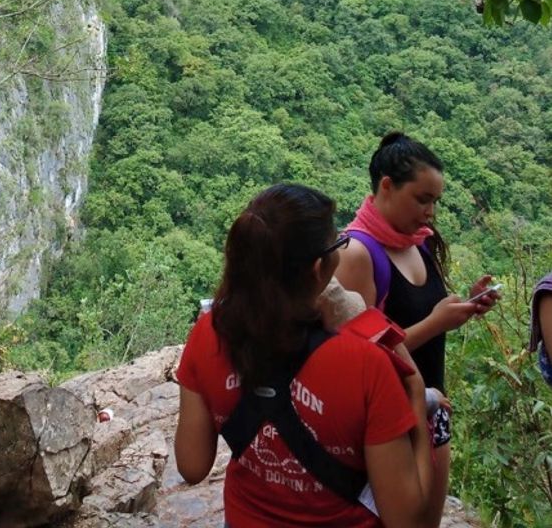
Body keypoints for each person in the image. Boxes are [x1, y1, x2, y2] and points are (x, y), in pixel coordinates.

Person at [174, 183, 435, 528]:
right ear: (318, 270)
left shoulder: (209, 334)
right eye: (337, 244)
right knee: (436, 416)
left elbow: (192, 466)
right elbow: (407, 522)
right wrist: (416, 395)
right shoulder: (366, 365)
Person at [335, 132, 499, 526]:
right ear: (387, 187)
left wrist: (463, 305)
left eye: (434, 202)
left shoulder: (415, 242)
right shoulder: (356, 254)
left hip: (429, 407)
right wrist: (435, 322)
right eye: (422, 199)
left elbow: (412, 317)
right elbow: (357, 355)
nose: (430, 213)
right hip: (388, 421)